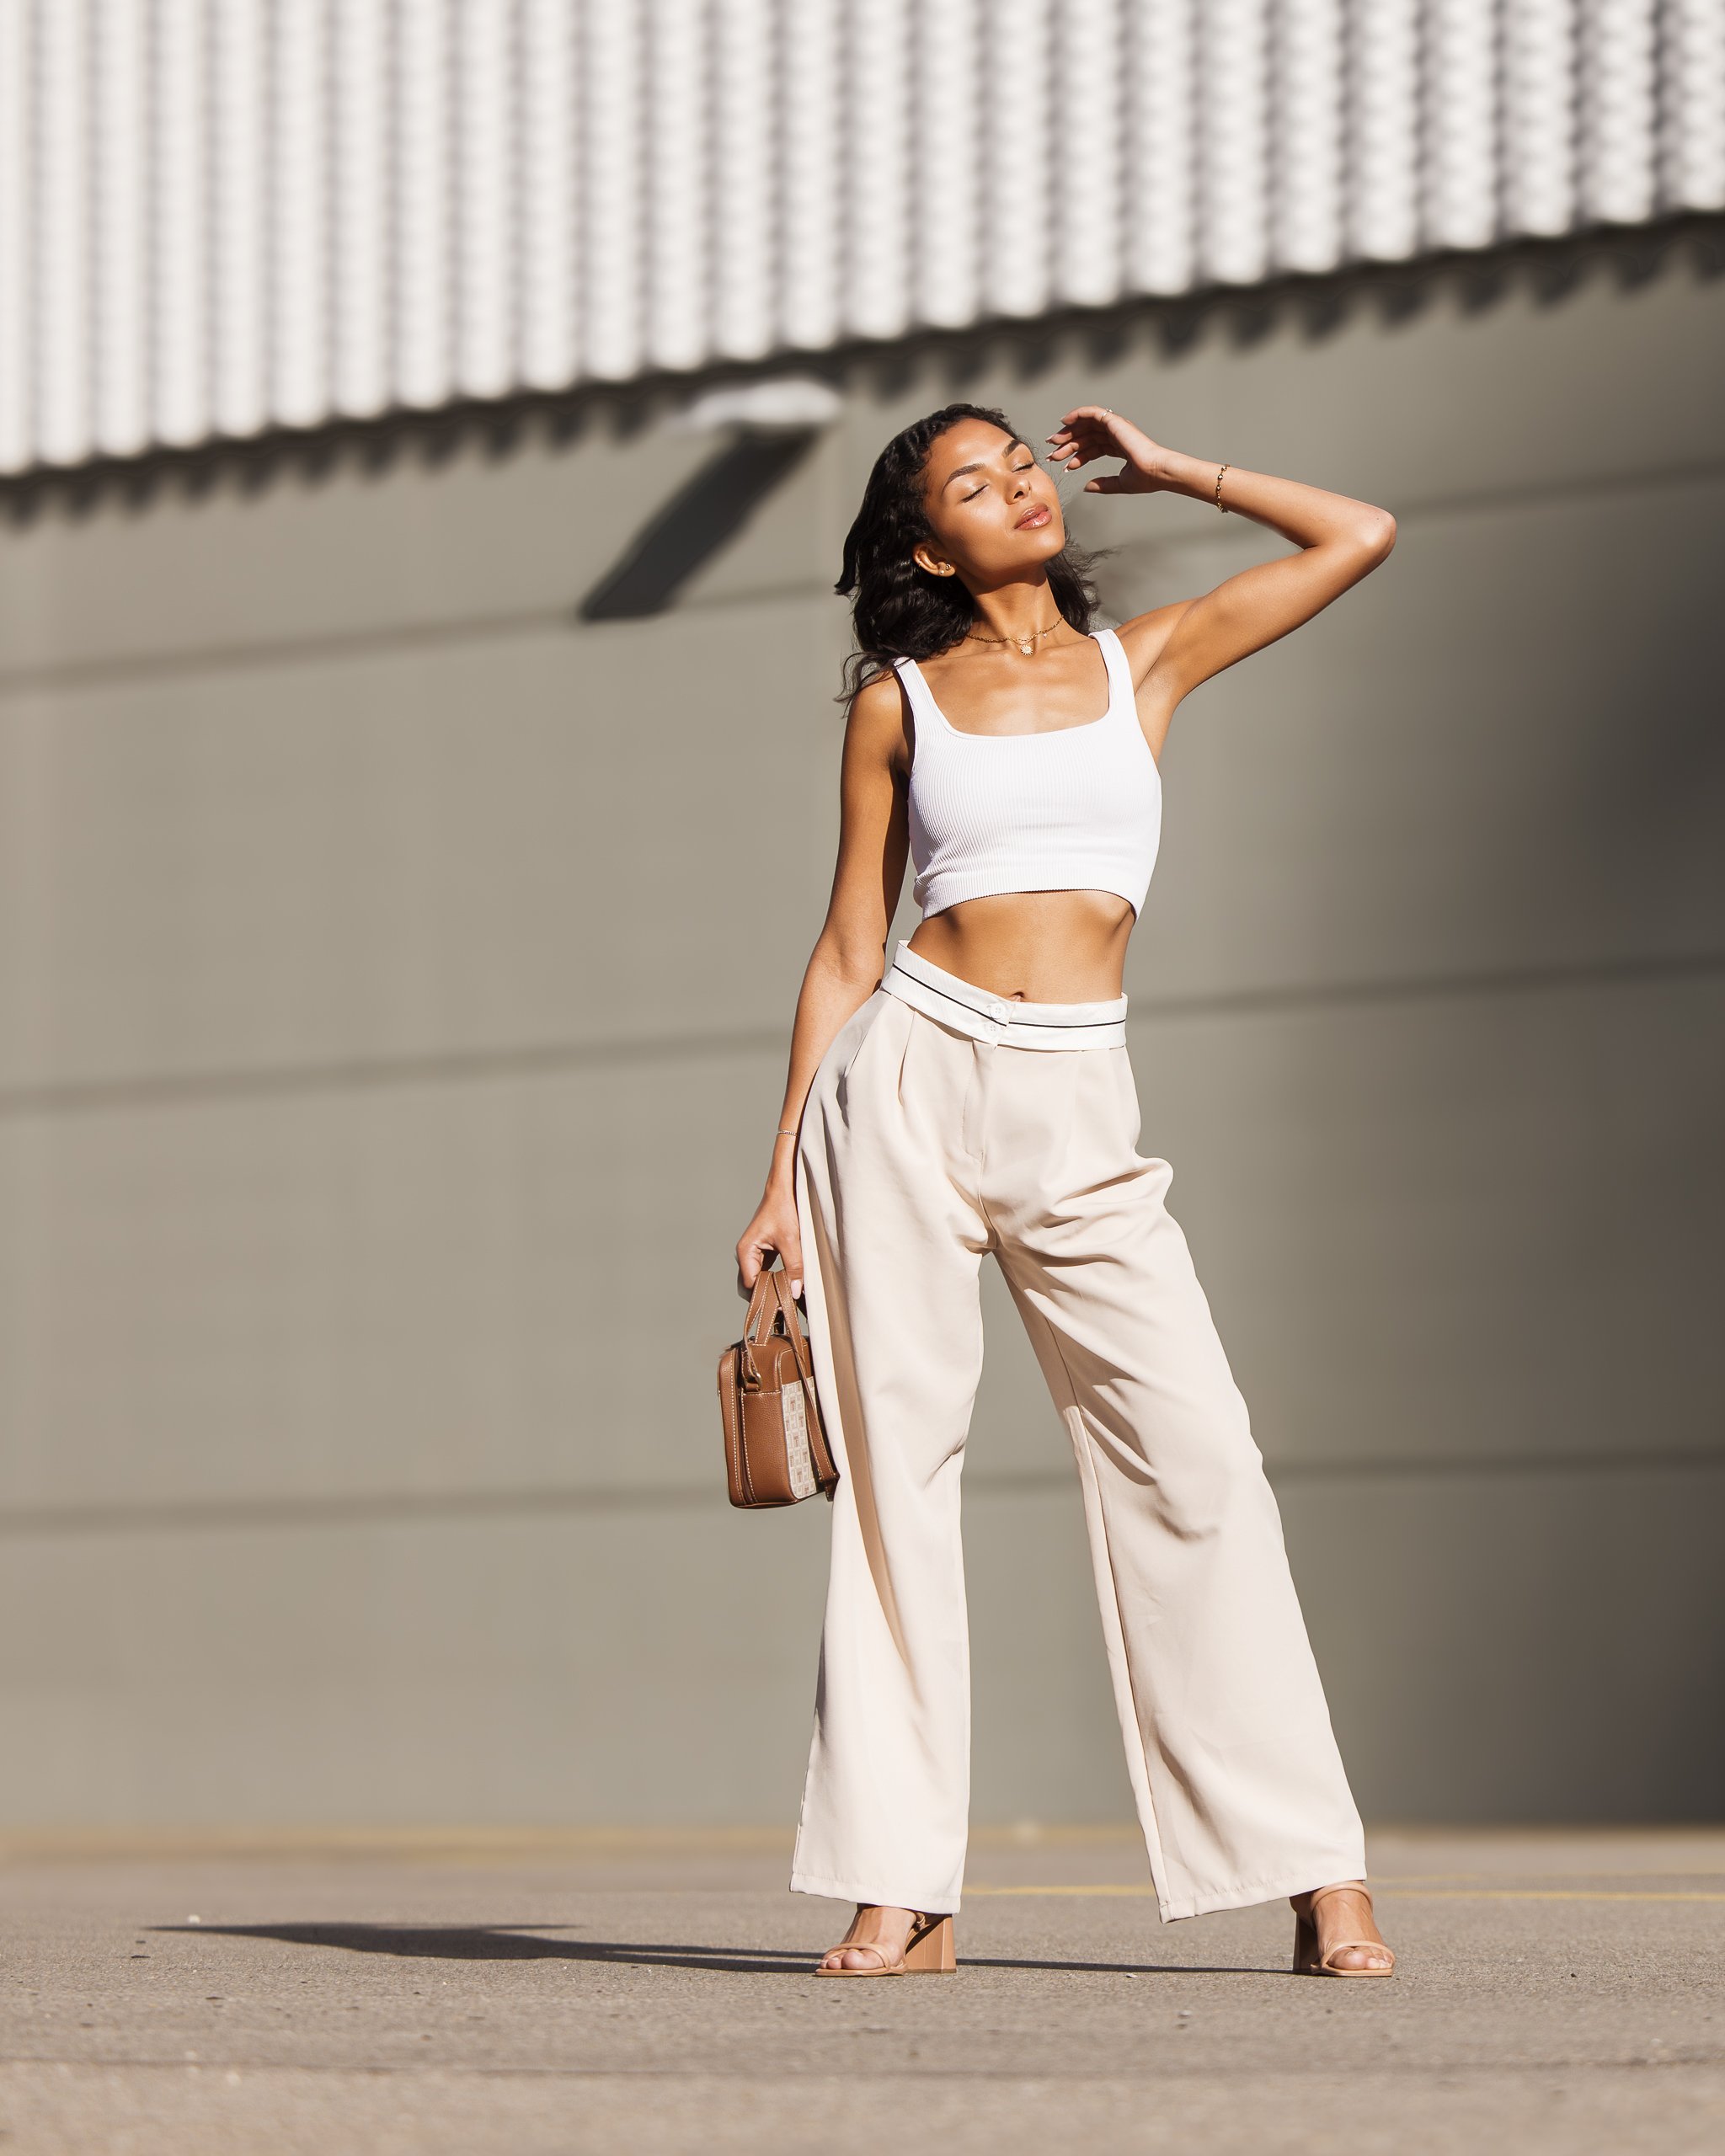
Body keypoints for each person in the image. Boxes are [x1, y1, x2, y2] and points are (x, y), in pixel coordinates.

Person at [734, 402, 1398, 1982]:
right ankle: (905, 1887)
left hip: (1080, 1098)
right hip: (904, 1078)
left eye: (1021, 460)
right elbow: (845, 946)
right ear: (923, 544)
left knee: (1201, 1464)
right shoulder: (901, 703)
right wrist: (777, 1174)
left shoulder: (1141, 663)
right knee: (900, 1483)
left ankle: (1316, 1868)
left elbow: (1359, 534)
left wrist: (1177, 470)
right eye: (974, 481)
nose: (1019, 484)